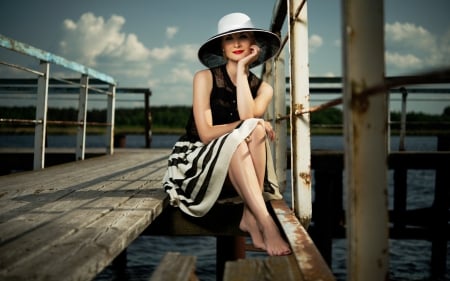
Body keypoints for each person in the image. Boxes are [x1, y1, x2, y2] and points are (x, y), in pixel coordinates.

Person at [163, 12, 291, 256]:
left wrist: (242, 72)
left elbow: (247, 114)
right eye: (229, 39)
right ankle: (266, 222)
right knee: (251, 127)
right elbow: (206, 134)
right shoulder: (204, 78)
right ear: (222, 47)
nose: (237, 44)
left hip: (237, 171)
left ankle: (248, 215)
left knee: (252, 128)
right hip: (198, 160)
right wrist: (247, 126)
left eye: (243, 37)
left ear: (254, 44)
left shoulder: (264, 89)